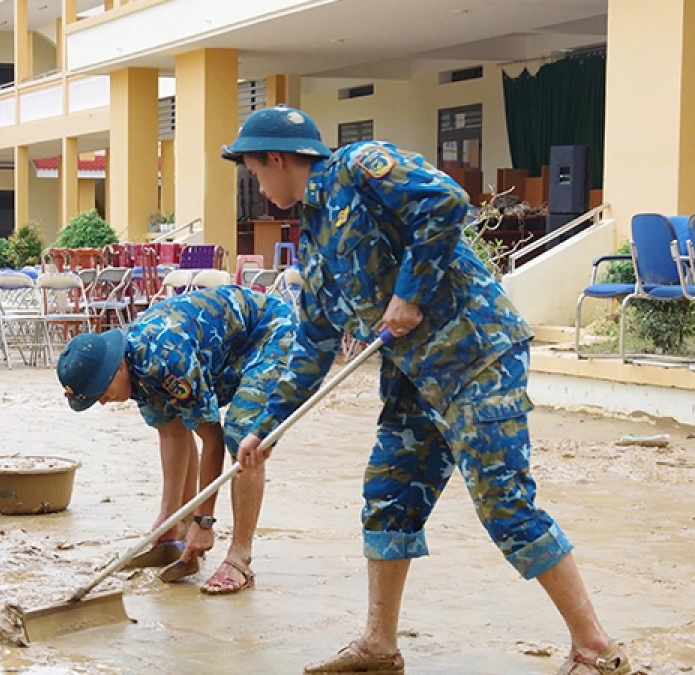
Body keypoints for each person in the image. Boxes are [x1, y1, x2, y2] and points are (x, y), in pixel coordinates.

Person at [221, 105, 631, 675]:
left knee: (503, 502)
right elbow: (313, 344)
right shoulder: (314, 245)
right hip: (415, 379)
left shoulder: (360, 168)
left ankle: (596, 647)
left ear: (276, 158)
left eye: (254, 172)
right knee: (387, 494)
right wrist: (265, 427)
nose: (257, 184)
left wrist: (411, 291)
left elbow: (444, 201)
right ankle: (379, 647)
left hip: (477, 358)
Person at [56, 286, 299, 594]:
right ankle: (178, 530)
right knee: (176, 419)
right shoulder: (135, 372)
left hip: (269, 332)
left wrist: (204, 521)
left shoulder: (165, 359)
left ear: (117, 367)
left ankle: (239, 558)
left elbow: (211, 438)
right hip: (224, 348)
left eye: (101, 393)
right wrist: (170, 516)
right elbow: (173, 432)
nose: (102, 402)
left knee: (243, 434)